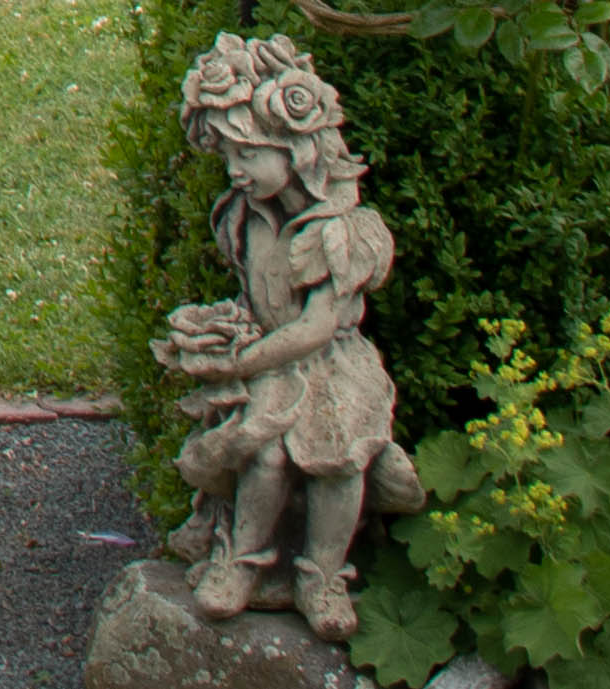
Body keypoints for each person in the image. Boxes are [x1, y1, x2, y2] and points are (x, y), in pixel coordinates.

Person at [155, 33, 424, 641]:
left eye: (245, 155)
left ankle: (323, 574)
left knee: (338, 460)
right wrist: (218, 334)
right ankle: (241, 562)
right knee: (265, 454)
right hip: (269, 363)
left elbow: (316, 326)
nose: (233, 170)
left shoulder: (341, 232)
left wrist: (242, 361)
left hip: (328, 364)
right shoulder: (244, 214)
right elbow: (258, 300)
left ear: (295, 149)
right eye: (225, 154)